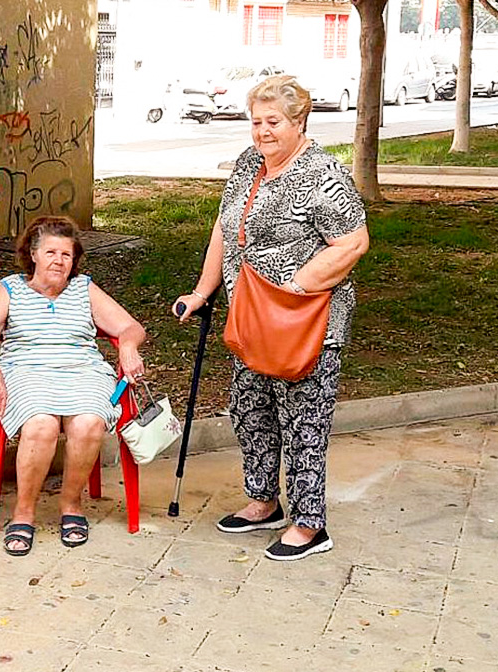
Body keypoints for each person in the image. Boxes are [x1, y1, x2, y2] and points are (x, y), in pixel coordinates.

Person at [172, 75, 368, 562]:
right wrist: (202, 290)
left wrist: (297, 288)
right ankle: (263, 501)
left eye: (273, 122)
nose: (262, 131)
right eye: (256, 122)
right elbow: (225, 226)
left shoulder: (323, 174)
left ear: (299, 121)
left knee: (304, 421)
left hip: (306, 321)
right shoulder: (249, 164)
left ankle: (309, 523)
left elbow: (354, 242)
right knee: (250, 410)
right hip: (252, 317)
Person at [0, 216, 146, 556]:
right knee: (41, 425)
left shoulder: (83, 288)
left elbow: (130, 327)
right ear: (32, 254)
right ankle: (24, 512)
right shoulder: (11, 288)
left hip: (83, 370)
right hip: (26, 371)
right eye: (50, 252)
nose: (59, 261)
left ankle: (71, 504)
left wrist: (128, 346)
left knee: (90, 423)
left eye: (66, 254)